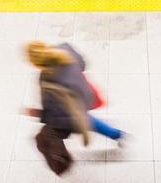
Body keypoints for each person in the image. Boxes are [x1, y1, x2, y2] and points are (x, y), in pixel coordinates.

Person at [24, 41, 124, 176]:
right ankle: (117, 135)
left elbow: (55, 116)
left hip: (70, 112)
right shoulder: (65, 48)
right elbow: (83, 64)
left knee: (48, 135)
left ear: (35, 64)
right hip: (84, 95)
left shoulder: (48, 82)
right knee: (87, 119)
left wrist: (37, 114)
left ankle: (64, 162)